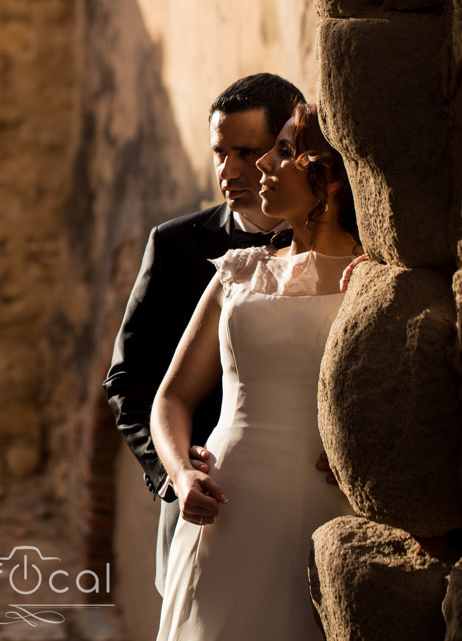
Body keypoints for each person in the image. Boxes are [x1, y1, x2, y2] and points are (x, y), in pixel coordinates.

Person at [151, 103, 361, 640]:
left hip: (325, 506)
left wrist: (369, 464)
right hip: (223, 507)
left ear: (331, 178)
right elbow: (171, 397)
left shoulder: (372, 280)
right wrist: (181, 473)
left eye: (284, 152)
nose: (263, 164)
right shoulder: (238, 272)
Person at [103, 73, 305, 593]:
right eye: (220, 152)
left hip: (299, 498)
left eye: (246, 152)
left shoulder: (334, 249)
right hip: (197, 501)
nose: (229, 169)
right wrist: (173, 472)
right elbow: (126, 379)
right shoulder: (174, 247)